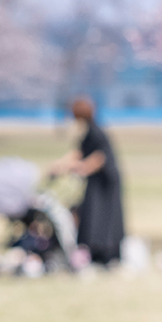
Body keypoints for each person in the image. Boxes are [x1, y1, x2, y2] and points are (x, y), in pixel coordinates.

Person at [50, 97, 125, 266]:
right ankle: (92, 250)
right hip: (95, 181)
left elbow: (100, 157)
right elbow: (79, 152)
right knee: (91, 213)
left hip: (106, 181)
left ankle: (106, 252)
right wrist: (61, 165)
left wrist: (82, 168)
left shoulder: (97, 132)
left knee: (104, 215)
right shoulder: (89, 132)